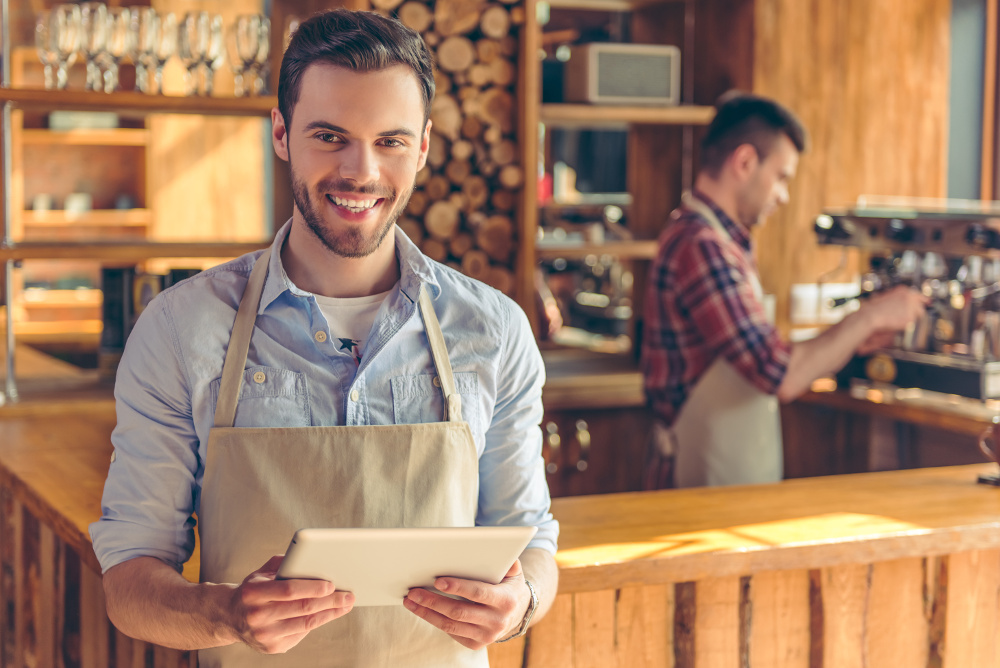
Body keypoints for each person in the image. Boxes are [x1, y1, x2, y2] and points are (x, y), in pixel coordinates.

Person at [89, 9, 559, 667]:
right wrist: (224, 613)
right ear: (282, 133)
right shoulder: (181, 330)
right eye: (330, 136)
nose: (359, 171)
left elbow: (533, 537)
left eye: (390, 141)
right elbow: (128, 583)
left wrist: (523, 603)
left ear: (423, 147)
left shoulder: (495, 331)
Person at [640, 91, 927, 489]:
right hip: (698, 488)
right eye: (781, 177)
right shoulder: (702, 246)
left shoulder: (723, 241)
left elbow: (762, 352)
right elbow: (780, 374)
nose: (783, 195)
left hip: (723, 484)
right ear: (744, 162)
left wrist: (850, 342)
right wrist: (871, 316)